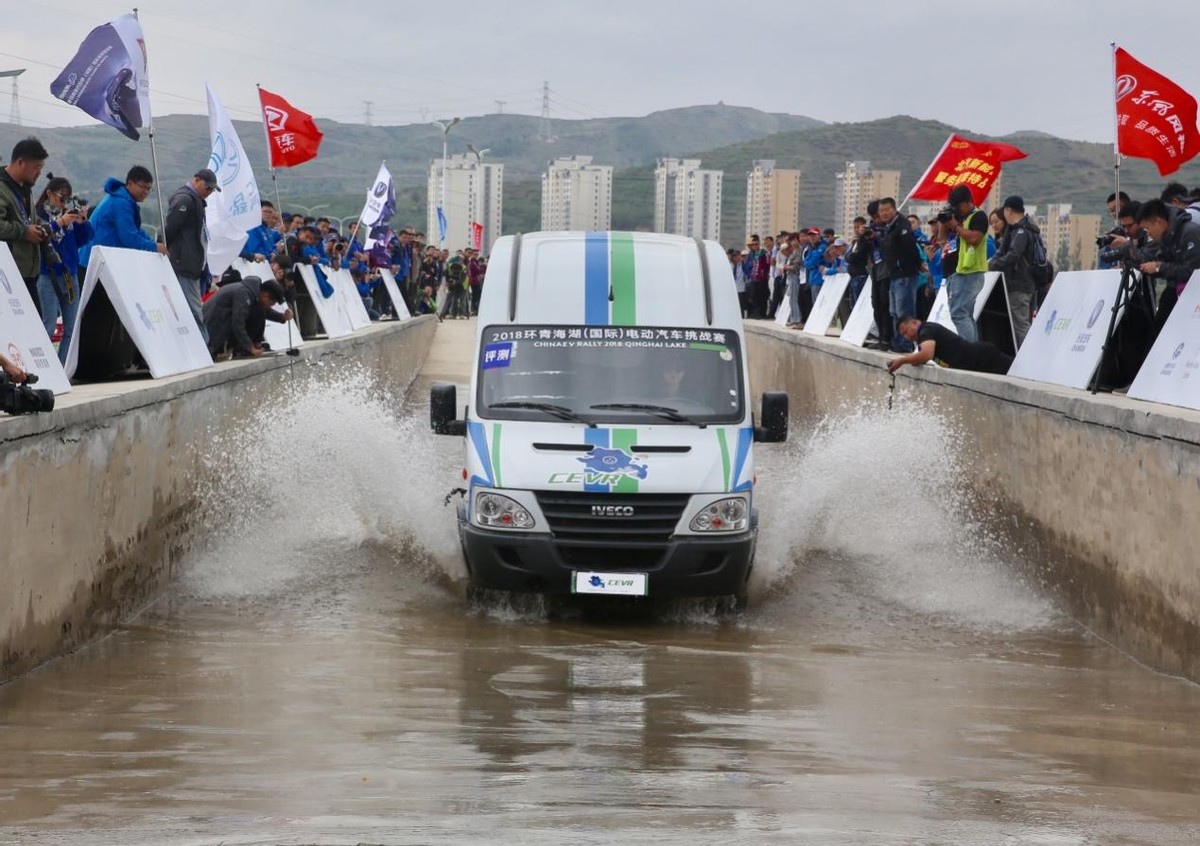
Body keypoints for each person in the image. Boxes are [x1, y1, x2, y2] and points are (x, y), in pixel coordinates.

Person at [35, 175, 92, 362]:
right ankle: (40, 365)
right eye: (62, 198)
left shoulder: (68, 216)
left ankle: (62, 367)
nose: (64, 203)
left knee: (72, 326)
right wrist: (60, 223)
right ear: (49, 194)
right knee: (49, 323)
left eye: (68, 199)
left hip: (69, 275)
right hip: (47, 274)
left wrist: (83, 222)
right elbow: (42, 236)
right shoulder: (39, 215)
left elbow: (82, 240)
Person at [0, 137, 57, 311]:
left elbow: (29, 219)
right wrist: (25, 232)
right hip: (8, 275)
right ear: (21, 162)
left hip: (28, 272)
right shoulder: (2, 188)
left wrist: (41, 226)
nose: (39, 173)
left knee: (35, 328)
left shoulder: (25, 189)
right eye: (36, 168)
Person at [165, 168, 220, 344]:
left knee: (191, 309)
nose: (209, 192)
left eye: (212, 190)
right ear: (196, 180)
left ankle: (196, 347)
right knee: (194, 310)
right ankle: (202, 348)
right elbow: (169, 230)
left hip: (193, 265)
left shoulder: (196, 200)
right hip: (184, 265)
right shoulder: (185, 199)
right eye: (207, 187)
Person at [79, 165, 167, 269]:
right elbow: (129, 237)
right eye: (142, 187)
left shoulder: (122, 199)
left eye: (148, 188)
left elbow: (134, 230)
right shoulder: (121, 203)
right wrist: (154, 247)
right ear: (130, 183)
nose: (146, 192)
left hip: (99, 261)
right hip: (92, 264)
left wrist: (153, 243)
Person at [1135, 199, 1200, 338]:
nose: (1148, 234)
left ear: (1159, 222)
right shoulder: (1166, 237)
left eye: (1147, 228)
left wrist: (1159, 267)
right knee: (1157, 332)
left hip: (1193, 294)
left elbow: (1193, 272)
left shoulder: (1190, 232)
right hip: (1177, 289)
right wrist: (1151, 268)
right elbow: (1166, 265)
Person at [988, 195, 1041, 347]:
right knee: (1020, 324)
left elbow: (1013, 256)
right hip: (1025, 284)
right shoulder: (1018, 229)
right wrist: (993, 262)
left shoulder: (1022, 231)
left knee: (1021, 325)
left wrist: (993, 265)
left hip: (1020, 284)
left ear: (1008, 210)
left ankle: (1028, 360)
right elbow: (1002, 252)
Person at [202, 273, 291, 359]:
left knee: (260, 310)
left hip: (222, 321)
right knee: (259, 311)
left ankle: (255, 344)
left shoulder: (253, 293)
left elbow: (266, 311)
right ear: (266, 296)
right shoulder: (243, 293)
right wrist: (250, 347)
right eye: (271, 303)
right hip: (213, 325)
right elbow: (238, 323)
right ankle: (242, 349)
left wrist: (282, 317)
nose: (270, 306)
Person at [888, 314, 1013, 375]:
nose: (907, 337)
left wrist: (902, 360)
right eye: (903, 335)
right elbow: (919, 359)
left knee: (1020, 372)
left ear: (915, 323)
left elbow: (926, 354)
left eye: (906, 332)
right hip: (976, 362)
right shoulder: (923, 338)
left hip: (983, 359)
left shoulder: (926, 330)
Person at [878, 197, 924, 351]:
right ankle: (898, 342)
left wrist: (918, 264)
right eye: (881, 211)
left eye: (886, 210)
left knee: (905, 312)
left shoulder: (902, 225)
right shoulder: (889, 227)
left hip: (905, 274)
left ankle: (907, 344)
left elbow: (910, 248)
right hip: (894, 275)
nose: (884, 213)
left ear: (894, 209)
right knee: (894, 312)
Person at [944, 184, 989, 342]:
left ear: (968, 202)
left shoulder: (979, 216)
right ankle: (974, 352)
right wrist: (946, 221)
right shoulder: (961, 219)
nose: (958, 209)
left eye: (959, 206)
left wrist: (956, 226)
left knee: (959, 314)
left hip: (970, 273)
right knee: (966, 315)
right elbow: (942, 238)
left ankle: (969, 352)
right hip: (961, 272)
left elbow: (975, 239)